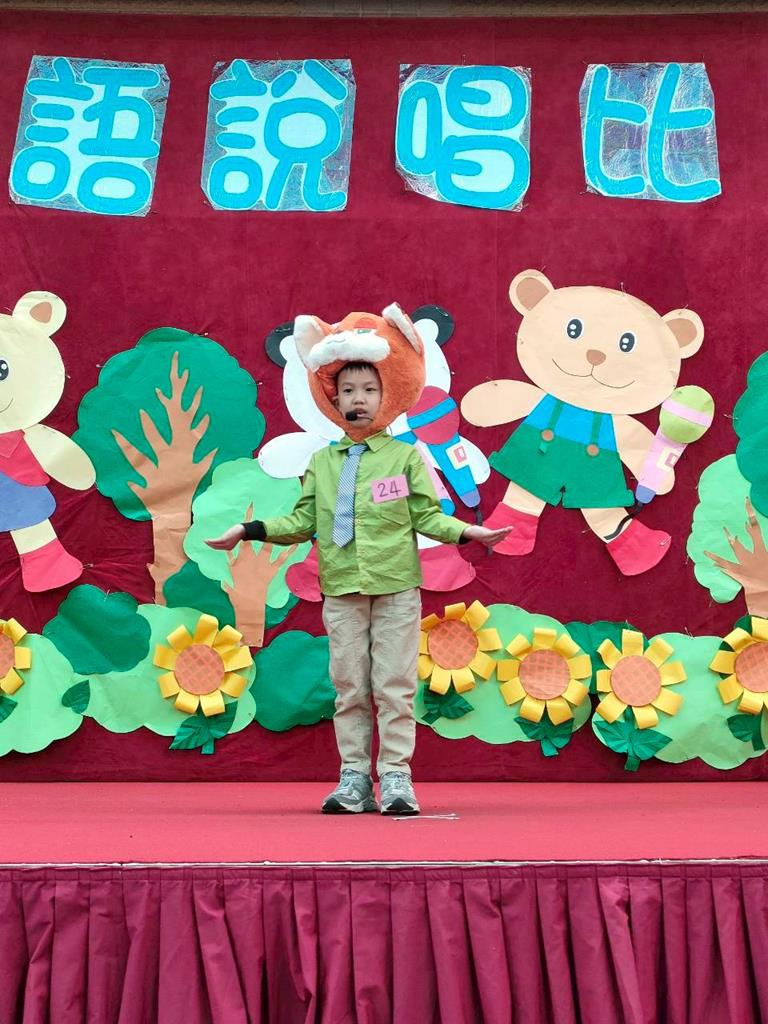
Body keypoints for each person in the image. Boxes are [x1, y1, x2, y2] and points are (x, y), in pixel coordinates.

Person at [208, 360, 511, 815]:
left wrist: (468, 531)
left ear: (386, 399)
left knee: (394, 686)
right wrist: (248, 529)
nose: (359, 398)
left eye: (369, 389)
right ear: (335, 402)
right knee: (349, 687)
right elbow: (302, 522)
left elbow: (426, 516)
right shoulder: (322, 463)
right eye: (348, 390)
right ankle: (354, 778)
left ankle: (395, 777)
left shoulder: (404, 458)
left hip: (396, 588)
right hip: (343, 589)